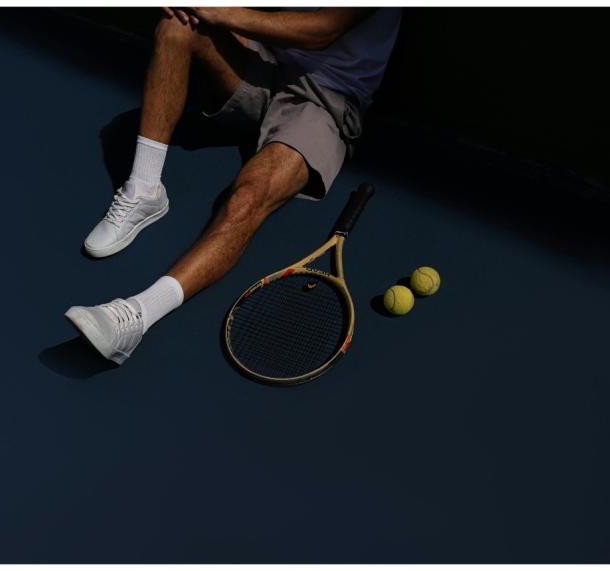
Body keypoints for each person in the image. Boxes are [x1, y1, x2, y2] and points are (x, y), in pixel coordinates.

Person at [66, 7, 401, 365]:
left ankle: (135, 318)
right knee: (177, 26)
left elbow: (320, 31)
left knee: (245, 200)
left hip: (323, 97)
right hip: (267, 59)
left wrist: (219, 12)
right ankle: (144, 191)